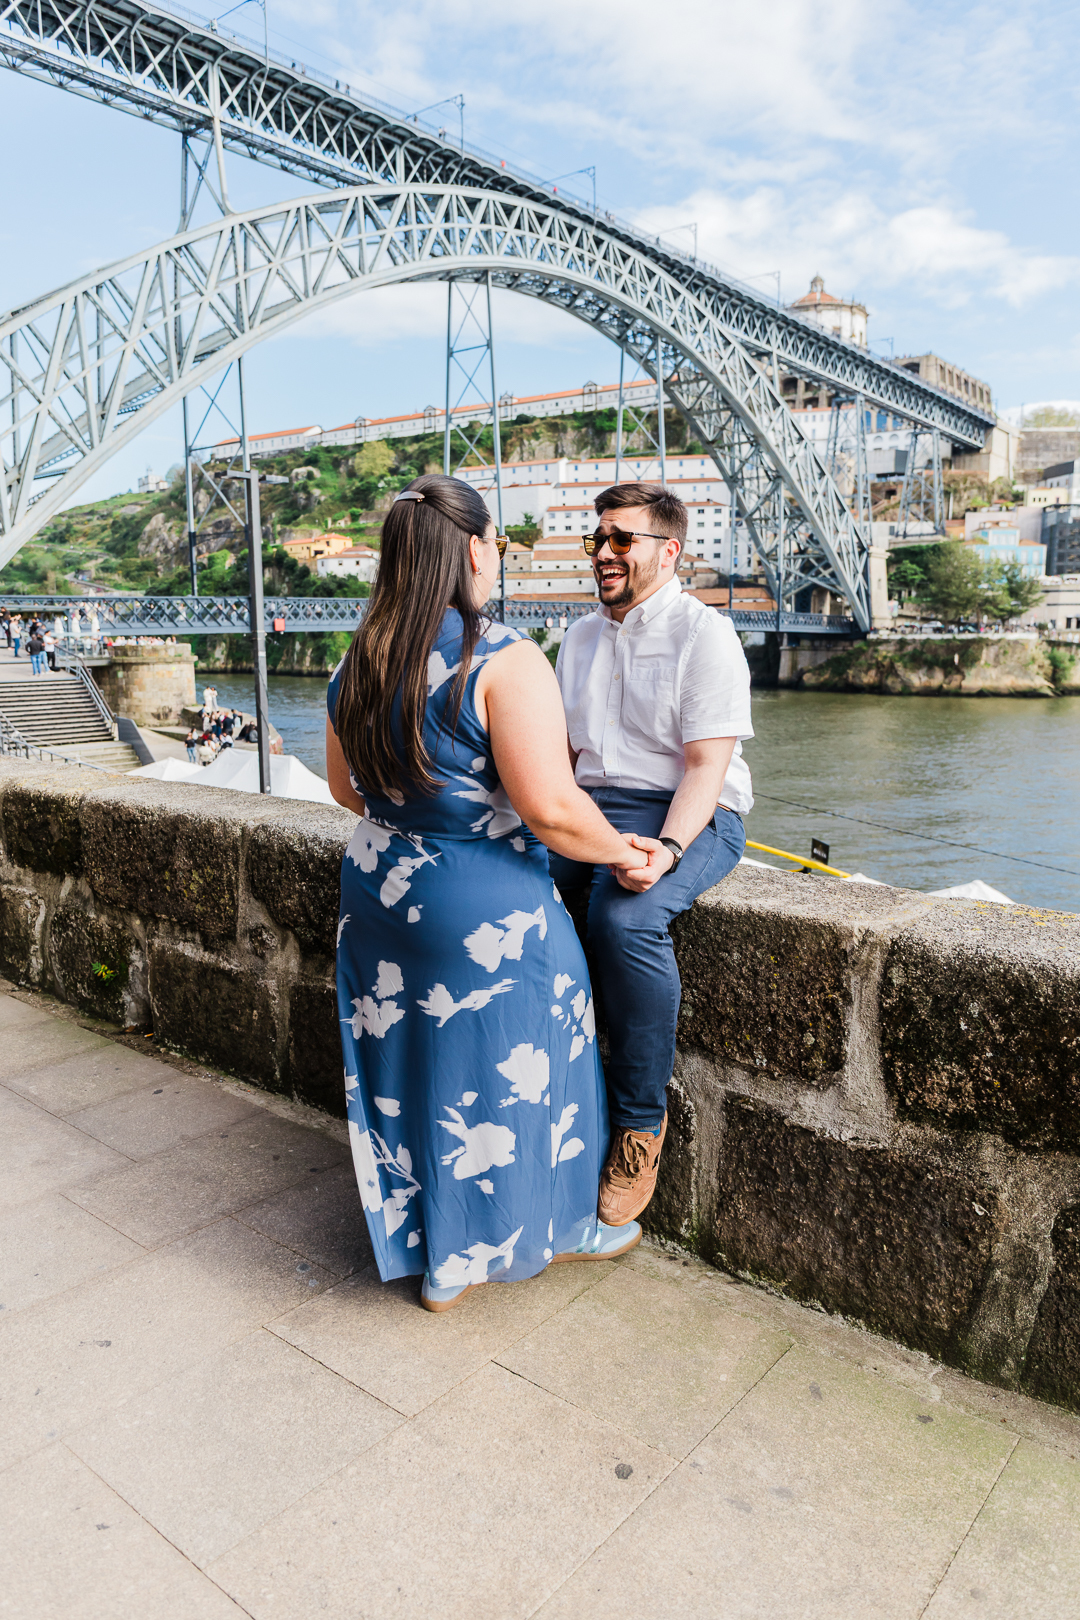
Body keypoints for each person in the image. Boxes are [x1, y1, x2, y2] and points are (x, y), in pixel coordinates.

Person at [325, 473, 650, 1313]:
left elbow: (345, 790)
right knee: (543, 1039)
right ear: (474, 550)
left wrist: (422, 816)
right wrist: (625, 855)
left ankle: (431, 1248)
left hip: (377, 893)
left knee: (414, 1069)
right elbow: (550, 808)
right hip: (480, 907)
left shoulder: (356, 655)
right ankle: (549, 1232)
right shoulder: (502, 658)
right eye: (498, 543)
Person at [550, 482, 752, 1227]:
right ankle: (555, 1093)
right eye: (596, 539)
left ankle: (639, 1126)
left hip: (693, 812)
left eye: (621, 540)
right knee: (518, 892)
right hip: (593, 802)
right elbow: (564, 760)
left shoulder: (706, 635)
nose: (603, 553)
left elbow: (706, 768)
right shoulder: (576, 638)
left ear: (668, 552)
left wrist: (667, 850)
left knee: (626, 918)